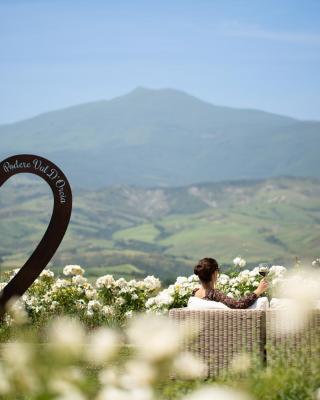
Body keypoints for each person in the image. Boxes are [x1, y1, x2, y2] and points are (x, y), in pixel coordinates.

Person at [192, 257, 268, 309]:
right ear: (214, 274)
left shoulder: (195, 293)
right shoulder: (214, 294)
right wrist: (258, 291)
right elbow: (238, 305)